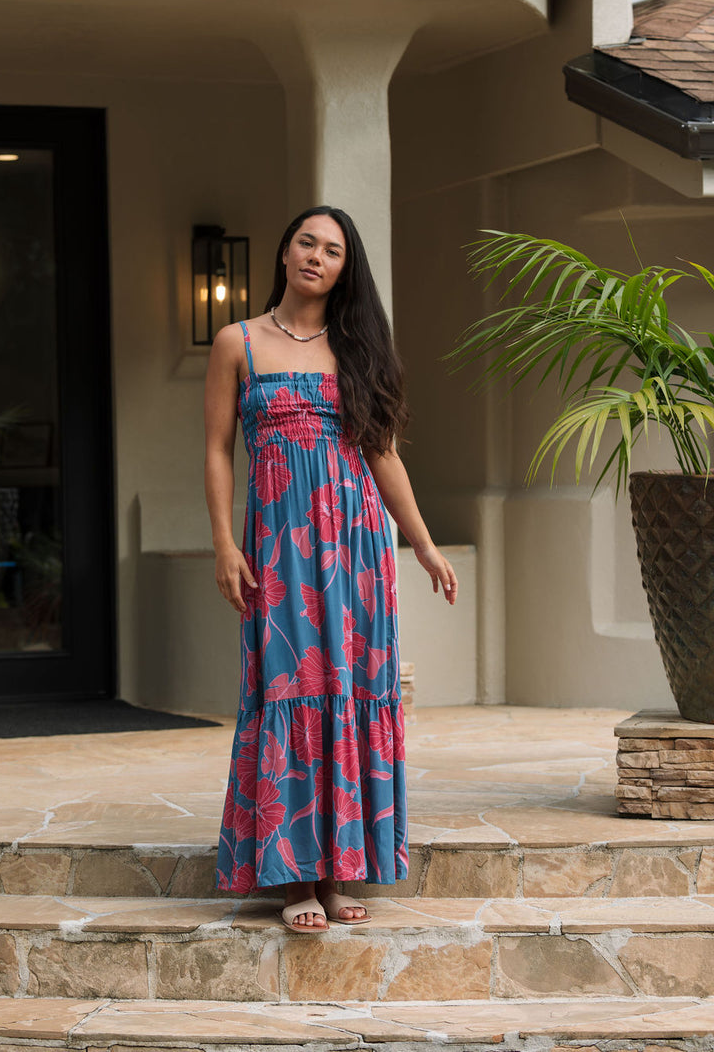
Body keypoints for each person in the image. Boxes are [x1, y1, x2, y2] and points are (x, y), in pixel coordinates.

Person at [204, 205, 456, 933]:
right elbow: (219, 449)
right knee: (291, 686)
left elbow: (382, 454)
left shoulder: (355, 349)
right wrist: (226, 542)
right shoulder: (237, 342)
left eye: (334, 250)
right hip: (279, 550)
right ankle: (292, 878)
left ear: (346, 268)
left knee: (349, 690)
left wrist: (423, 542)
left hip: (356, 548)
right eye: (307, 241)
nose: (317, 255)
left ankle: (342, 870)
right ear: (284, 252)